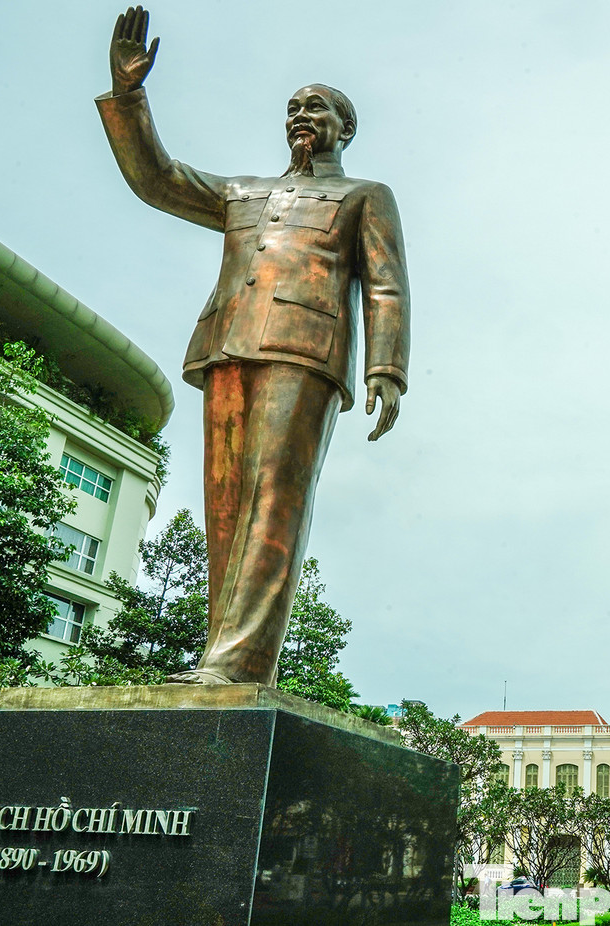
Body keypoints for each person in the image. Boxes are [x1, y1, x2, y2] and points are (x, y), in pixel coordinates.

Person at [98, 7, 409, 685]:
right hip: (228, 345)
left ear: (346, 127)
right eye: (293, 107)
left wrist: (386, 367)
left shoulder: (365, 195)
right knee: (225, 509)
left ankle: (239, 660)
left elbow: (386, 284)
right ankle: (224, 659)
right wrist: (129, 96)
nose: (301, 114)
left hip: (305, 353)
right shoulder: (243, 192)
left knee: (274, 504)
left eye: (316, 106)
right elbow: (158, 180)